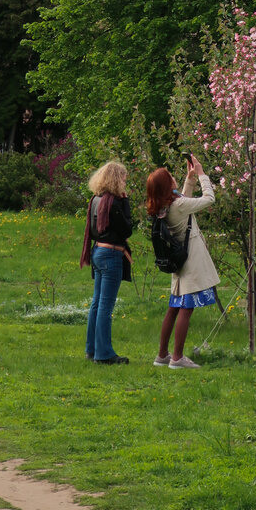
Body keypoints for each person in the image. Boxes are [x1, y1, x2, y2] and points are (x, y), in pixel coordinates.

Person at [147, 154, 219, 369]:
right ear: (166, 185)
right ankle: (177, 358)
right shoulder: (177, 205)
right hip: (190, 261)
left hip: (179, 260)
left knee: (173, 307)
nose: (173, 178)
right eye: (170, 177)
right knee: (186, 308)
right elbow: (209, 199)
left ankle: (162, 355)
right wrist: (202, 174)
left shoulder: (163, 206)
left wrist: (190, 178)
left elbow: (183, 202)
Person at [79, 161, 133, 364]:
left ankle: (92, 349)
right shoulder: (115, 203)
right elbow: (127, 229)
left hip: (98, 251)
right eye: (124, 178)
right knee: (105, 305)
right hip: (111, 254)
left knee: (96, 302)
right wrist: (125, 202)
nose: (125, 182)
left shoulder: (96, 199)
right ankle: (104, 354)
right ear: (116, 179)